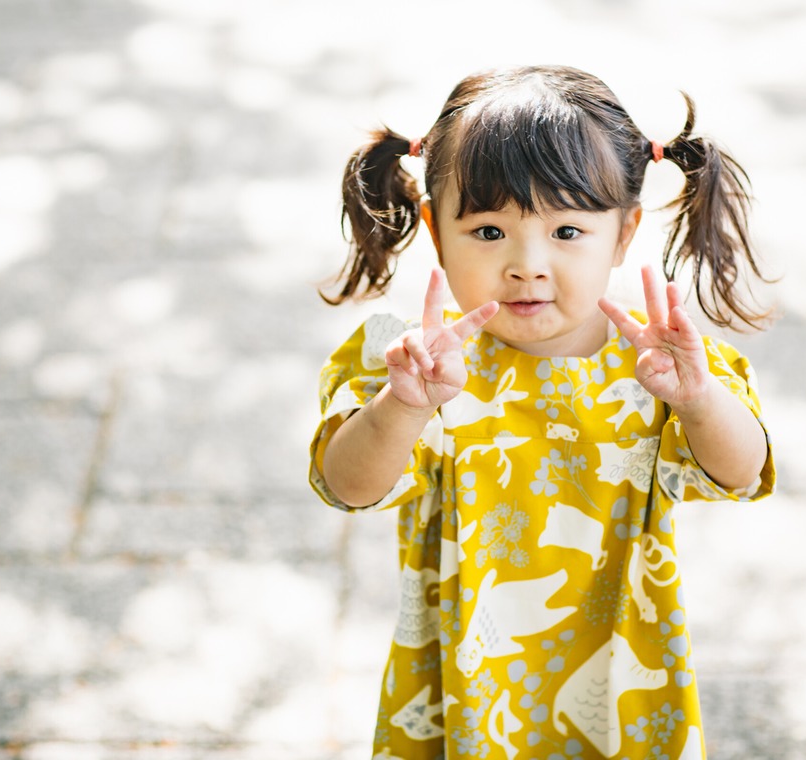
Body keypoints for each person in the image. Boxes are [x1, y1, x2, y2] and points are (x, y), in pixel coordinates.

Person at [309, 65, 776, 760]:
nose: (528, 263)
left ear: (623, 234)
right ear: (437, 230)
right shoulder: (416, 361)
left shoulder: (658, 364)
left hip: (624, 677)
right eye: (490, 231)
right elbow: (345, 485)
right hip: (463, 683)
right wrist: (400, 408)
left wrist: (699, 400)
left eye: (566, 232)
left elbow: (743, 473)